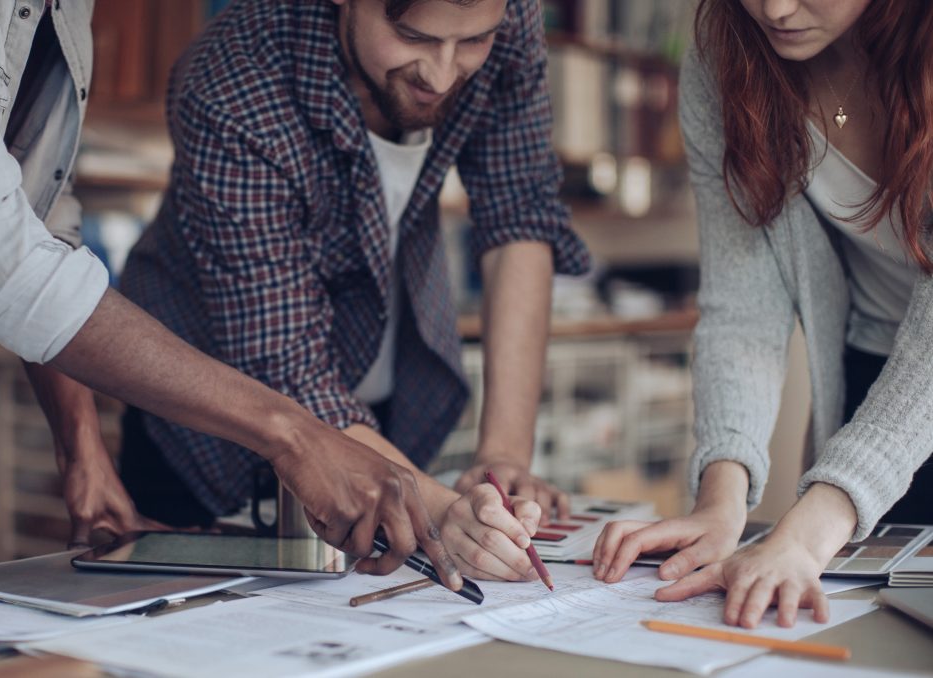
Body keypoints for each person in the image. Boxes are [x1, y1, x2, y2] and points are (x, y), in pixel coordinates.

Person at [0, 0, 465, 589]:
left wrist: (80, 446)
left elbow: (40, 217)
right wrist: (292, 432)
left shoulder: (68, 13)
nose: (442, 74)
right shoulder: (232, 76)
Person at [116, 0, 590, 581]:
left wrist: (504, 456)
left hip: (379, 421)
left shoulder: (501, 13)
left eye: (472, 43)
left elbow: (519, 216)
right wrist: (442, 512)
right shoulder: (234, 77)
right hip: (210, 437)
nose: (441, 75)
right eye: (412, 35)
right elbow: (284, 367)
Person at [592, 0, 933, 628]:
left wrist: (807, 532)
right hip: (870, 377)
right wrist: (720, 502)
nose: (772, 9)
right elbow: (743, 297)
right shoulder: (727, 59)